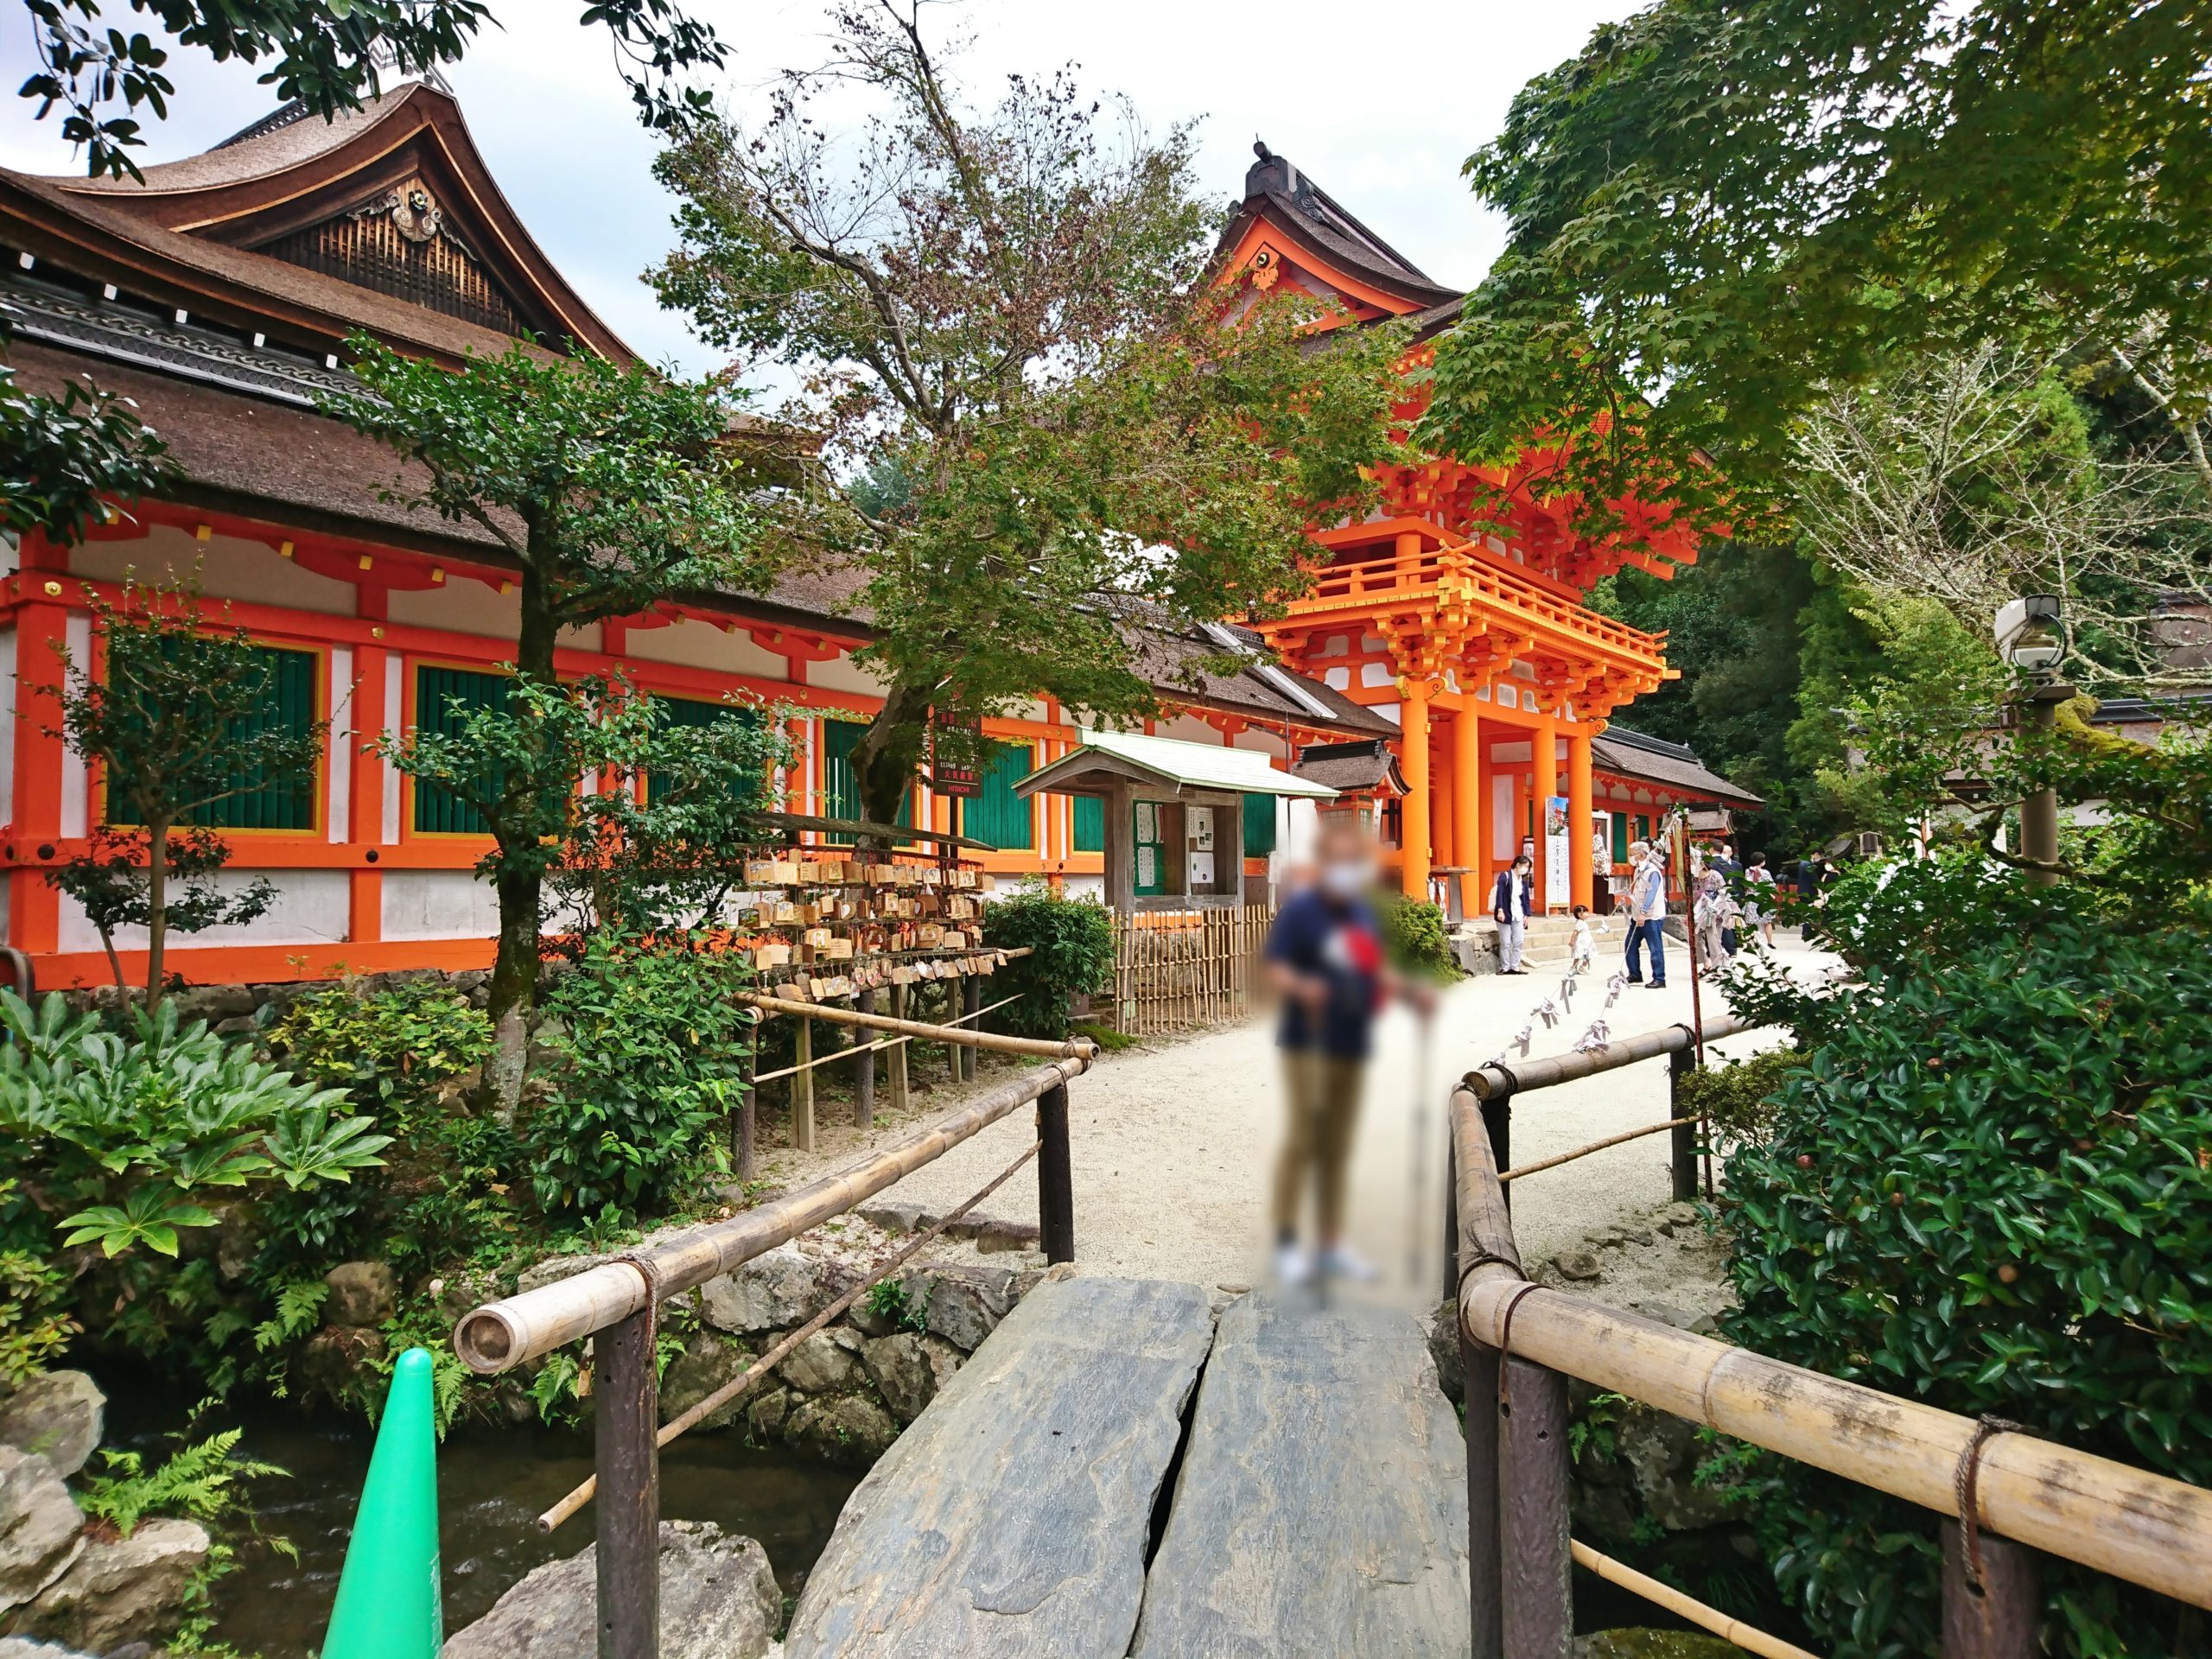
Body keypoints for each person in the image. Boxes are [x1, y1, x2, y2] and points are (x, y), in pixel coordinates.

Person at [1262, 817, 1434, 1286]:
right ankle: (1286, 1244)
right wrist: (1305, 987)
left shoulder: (1361, 912)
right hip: (1305, 1039)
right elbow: (1275, 970)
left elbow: (1373, 970)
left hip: (1350, 1039)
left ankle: (1331, 1244)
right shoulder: (1301, 912)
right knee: (1304, 1137)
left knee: (1338, 1143)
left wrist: (1410, 992)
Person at [1624, 840, 1669, 988]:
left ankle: (1659, 978)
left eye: (1632, 855)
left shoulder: (1652, 871)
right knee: (1630, 944)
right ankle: (1635, 974)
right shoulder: (1639, 870)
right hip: (1637, 915)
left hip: (1651, 916)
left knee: (1655, 948)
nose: (1630, 857)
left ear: (1641, 855)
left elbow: (1651, 894)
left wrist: (1643, 913)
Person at [1491, 854, 1535, 975]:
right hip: (1505, 913)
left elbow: (1525, 898)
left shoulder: (1524, 879)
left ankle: (1515, 966)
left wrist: (1526, 914)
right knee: (1506, 941)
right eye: (1525, 866)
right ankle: (1505, 967)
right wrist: (1500, 910)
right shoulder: (1504, 876)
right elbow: (1499, 894)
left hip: (1518, 913)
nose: (1526, 869)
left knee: (1519, 941)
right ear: (1518, 865)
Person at [1744, 855, 1777, 947]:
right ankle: (1769, 942)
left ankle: (1750, 941)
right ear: (1762, 862)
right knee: (1767, 922)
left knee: (1750, 922)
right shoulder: (1765, 872)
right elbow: (1771, 885)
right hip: (1763, 897)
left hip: (1751, 897)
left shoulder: (1748, 871)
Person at [1568, 904, 1595, 974]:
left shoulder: (1582, 922)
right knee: (1579, 956)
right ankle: (1574, 968)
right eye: (1586, 912)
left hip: (1586, 943)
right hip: (1581, 944)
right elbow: (1575, 933)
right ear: (1580, 915)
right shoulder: (1580, 923)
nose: (1587, 913)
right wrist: (1572, 941)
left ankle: (1582, 967)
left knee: (1587, 956)